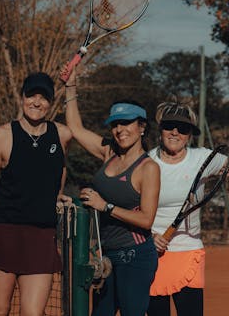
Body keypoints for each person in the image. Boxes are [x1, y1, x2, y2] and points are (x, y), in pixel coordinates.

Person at [0, 72, 72, 316]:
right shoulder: (0, 137)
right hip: (3, 232)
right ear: (21, 97)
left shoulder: (63, 135)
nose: (36, 102)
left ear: (51, 102)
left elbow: (60, 168)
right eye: (31, 95)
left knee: (33, 313)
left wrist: (56, 193)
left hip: (42, 235)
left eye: (43, 97)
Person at [64, 75, 160, 316]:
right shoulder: (108, 151)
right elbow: (75, 129)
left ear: (142, 126)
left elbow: (147, 219)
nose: (120, 130)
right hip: (105, 254)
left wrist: (104, 205)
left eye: (127, 123)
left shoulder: (148, 168)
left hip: (135, 256)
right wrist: (70, 85)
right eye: (115, 124)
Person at [147, 102, 229, 316]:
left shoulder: (202, 158)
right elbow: (134, 207)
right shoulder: (146, 161)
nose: (175, 132)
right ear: (160, 129)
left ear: (190, 134)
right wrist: (150, 235)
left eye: (183, 128)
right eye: (169, 126)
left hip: (188, 251)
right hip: (151, 254)